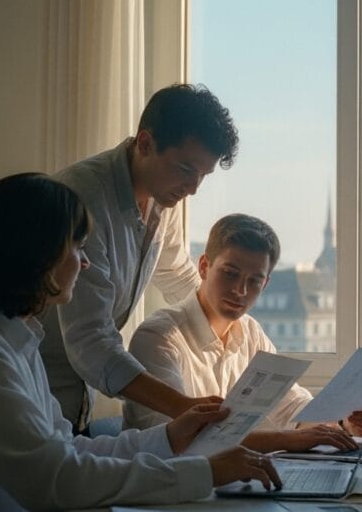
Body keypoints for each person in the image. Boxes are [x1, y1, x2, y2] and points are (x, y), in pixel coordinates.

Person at [0, 173, 280, 511]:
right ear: (36, 255)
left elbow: (67, 451)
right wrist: (205, 472)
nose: (85, 262)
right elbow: (54, 478)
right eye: (76, 248)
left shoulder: (12, 338)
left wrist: (172, 436)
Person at [40, 84, 238, 432]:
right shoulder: (84, 196)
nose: (193, 188)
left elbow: (178, 276)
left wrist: (230, 331)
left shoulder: (164, 197)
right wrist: (179, 405)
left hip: (77, 398)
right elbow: (90, 339)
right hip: (36, 384)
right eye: (186, 169)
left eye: (203, 176)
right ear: (145, 143)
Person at [124, 214, 362, 453]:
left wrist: (343, 425)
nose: (240, 290)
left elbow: (291, 407)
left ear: (266, 283)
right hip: (162, 489)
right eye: (230, 274)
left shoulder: (250, 332)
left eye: (254, 280)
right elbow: (175, 439)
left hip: (225, 484)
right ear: (203, 266)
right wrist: (287, 441)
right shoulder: (158, 338)